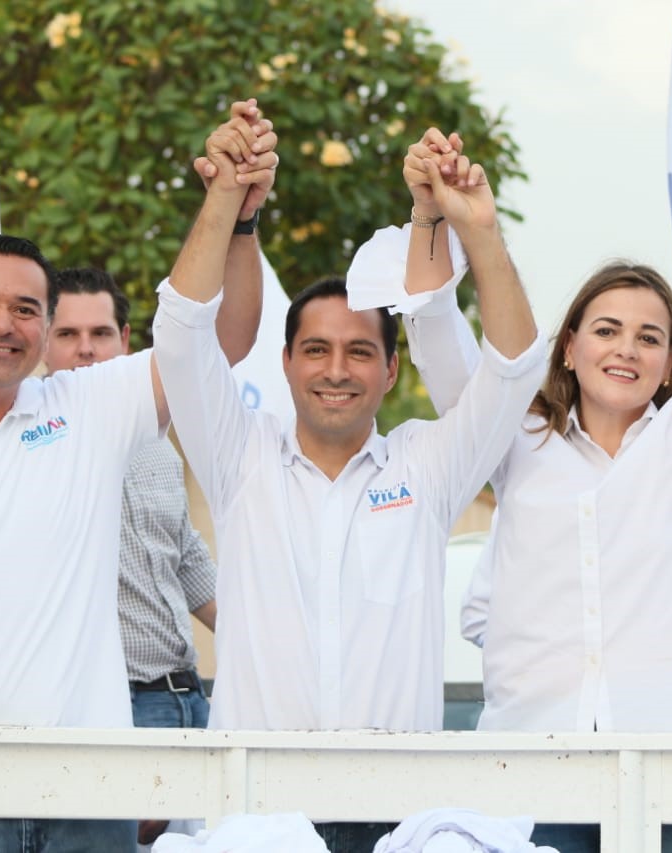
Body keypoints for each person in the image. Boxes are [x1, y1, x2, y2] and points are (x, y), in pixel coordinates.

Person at [0, 102, 276, 852]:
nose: (1, 324)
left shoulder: (88, 409)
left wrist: (233, 218)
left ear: (45, 329)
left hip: (87, 788)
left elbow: (222, 340)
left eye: (25, 309)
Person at [346, 127, 672, 853]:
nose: (625, 349)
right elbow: (436, 327)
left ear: (670, 363)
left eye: (648, 336)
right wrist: (432, 217)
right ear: (568, 346)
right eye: (606, 329)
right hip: (531, 777)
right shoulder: (512, 438)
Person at [152, 127, 544, 853]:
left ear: (391, 371)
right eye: (318, 350)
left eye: (361, 350)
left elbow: (515, 367)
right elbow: (179, 338)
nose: (338, 369)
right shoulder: (240, 457)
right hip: (255, 819)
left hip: (400, 822)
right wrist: (229, 203)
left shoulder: (426, 465)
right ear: (288, 361)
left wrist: (477, 229)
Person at [42, 266, 220, 847]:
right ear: (42, 340)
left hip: (192, 698)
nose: (86, 349)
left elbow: (186, 556)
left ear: (127, 340)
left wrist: (262, 637)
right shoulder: (30, 446)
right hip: (116, 704)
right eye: (67, 334)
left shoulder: (157, 438)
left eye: (100, 333)